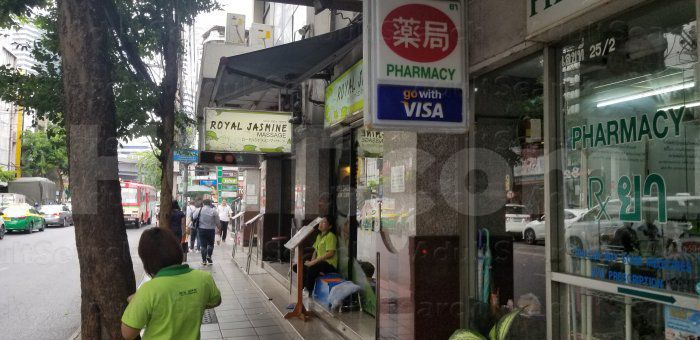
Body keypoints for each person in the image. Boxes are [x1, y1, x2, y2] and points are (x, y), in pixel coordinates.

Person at [121, 228, 221, 340]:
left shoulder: (148, 290)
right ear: (177, 249)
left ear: (147, 260)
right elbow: (215, 301)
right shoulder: (204, 278)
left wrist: (136, 301)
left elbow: (127, 334)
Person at [295, 217, 338, 296]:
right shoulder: (319, 236)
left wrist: (313, 263)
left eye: (324, 222)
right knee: (298, 266)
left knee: (313, 267)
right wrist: (311, 262)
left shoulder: (331, 236)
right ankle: (304, 287)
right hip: (319, 263)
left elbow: (330, 253)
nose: (320, 224)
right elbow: (315, 251)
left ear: (329, 226)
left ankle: (308, 290)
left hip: (329, 264)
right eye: (320, 222)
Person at [192, 199, 220, 266]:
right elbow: (218, 222)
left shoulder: (199, 210)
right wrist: (219, 229)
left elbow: (193, 217)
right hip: (211, 230)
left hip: (202, 230)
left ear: (203, 204)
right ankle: (209, 256)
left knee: (203, 246)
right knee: (210, 244)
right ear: (210, 203)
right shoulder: (214, 211)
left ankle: (204, 260)